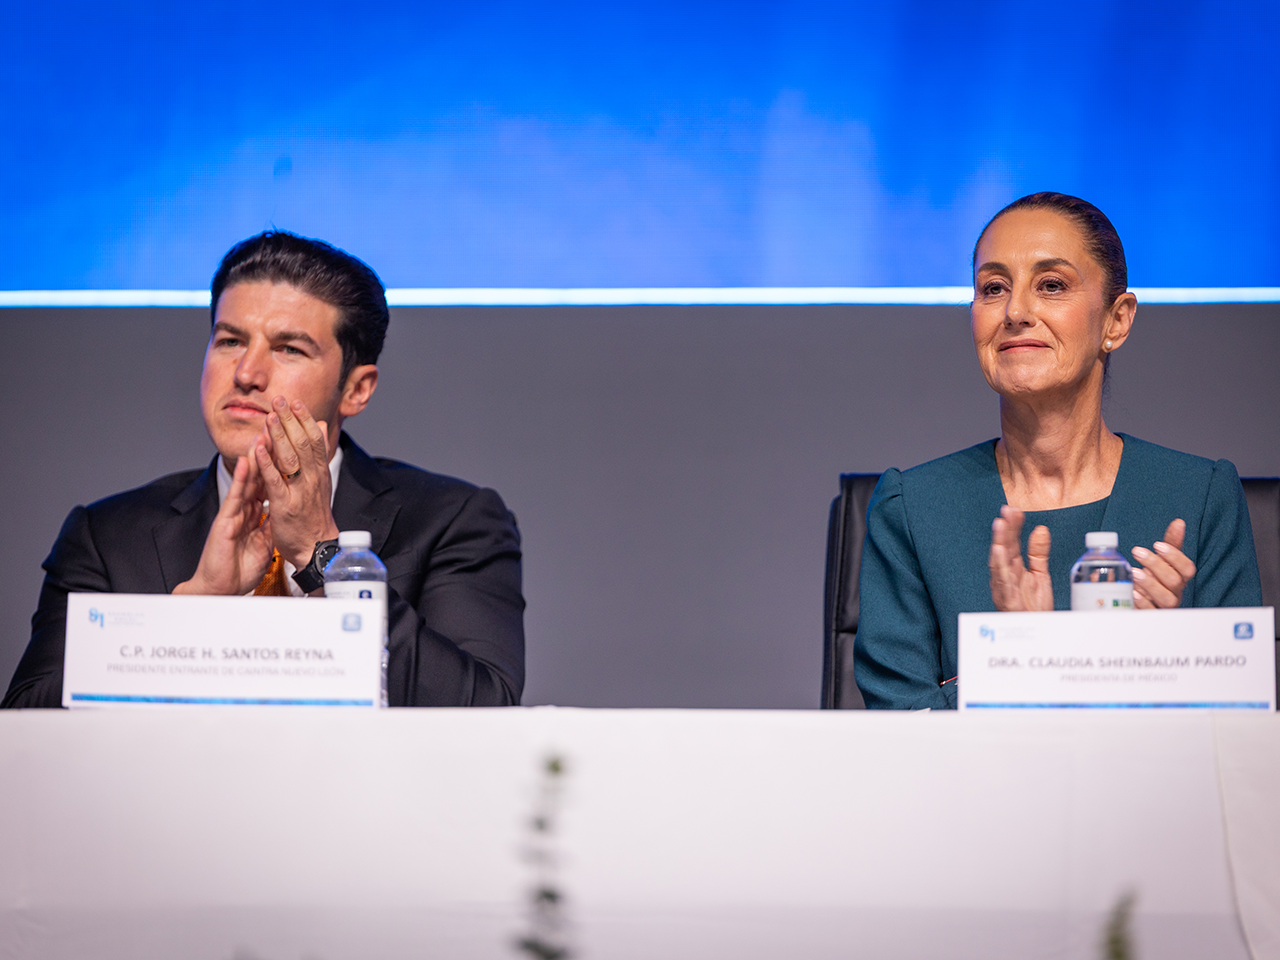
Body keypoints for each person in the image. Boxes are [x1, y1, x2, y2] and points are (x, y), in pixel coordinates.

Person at [3, 231, 524, 708]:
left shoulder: (453, 520)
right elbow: (26, 725)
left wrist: (324, 555)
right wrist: (192, 612)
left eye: (289, 348)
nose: (246, 374)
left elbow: (483, 709)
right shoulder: (108, 536)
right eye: (229, 341)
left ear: (356, 389)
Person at [854, 192, 1263, 710]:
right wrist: (1025, 665)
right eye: (993, 288)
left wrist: (1166, 662)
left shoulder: (1201, 498)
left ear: (1116, 321)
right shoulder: (912, 508)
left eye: (1051, 285)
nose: (1016, 311)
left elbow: (1242, 741)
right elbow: (900, 739)